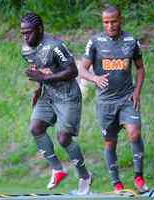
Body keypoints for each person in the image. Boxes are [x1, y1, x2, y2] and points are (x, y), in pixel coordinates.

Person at [20, 12, 92, 195]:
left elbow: (73, 71)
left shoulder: (55, 46)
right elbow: (39, 71)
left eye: (28, 32)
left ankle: (84, 176)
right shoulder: (26, 51)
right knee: (35, 128)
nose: (25, 36)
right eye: (23, 33)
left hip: (68, 97)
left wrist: (45, 77)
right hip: (48, 95)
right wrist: (38, 89)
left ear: (40, 29)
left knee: (63, 139)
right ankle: (58, 169)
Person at [79, 6, 149, 194]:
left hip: (127, 99)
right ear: (103, 22)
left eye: (114, 21)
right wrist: (94, 78)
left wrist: (137, 92)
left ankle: (139, 178)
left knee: (134, 133)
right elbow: (82, 69)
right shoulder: (95, 42)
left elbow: (140, 69)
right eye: (106, 22)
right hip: (105, 103)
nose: (110, 25)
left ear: (120, 20)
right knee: (110, 143)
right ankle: (116, 183)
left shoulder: (131, 41)